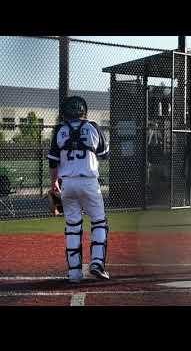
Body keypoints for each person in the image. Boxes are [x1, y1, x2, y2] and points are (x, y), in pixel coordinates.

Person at [47, 96, 110, 283]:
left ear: (65, 113)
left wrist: (54, 183)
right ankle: (97, 262)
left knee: (73, 226)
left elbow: (52, 161)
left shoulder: (60, 130)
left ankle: (74, 273)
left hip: (67, 183)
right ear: (84, 111)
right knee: (99, 222)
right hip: (89, 181)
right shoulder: (93, 127)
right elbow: (104, 154)